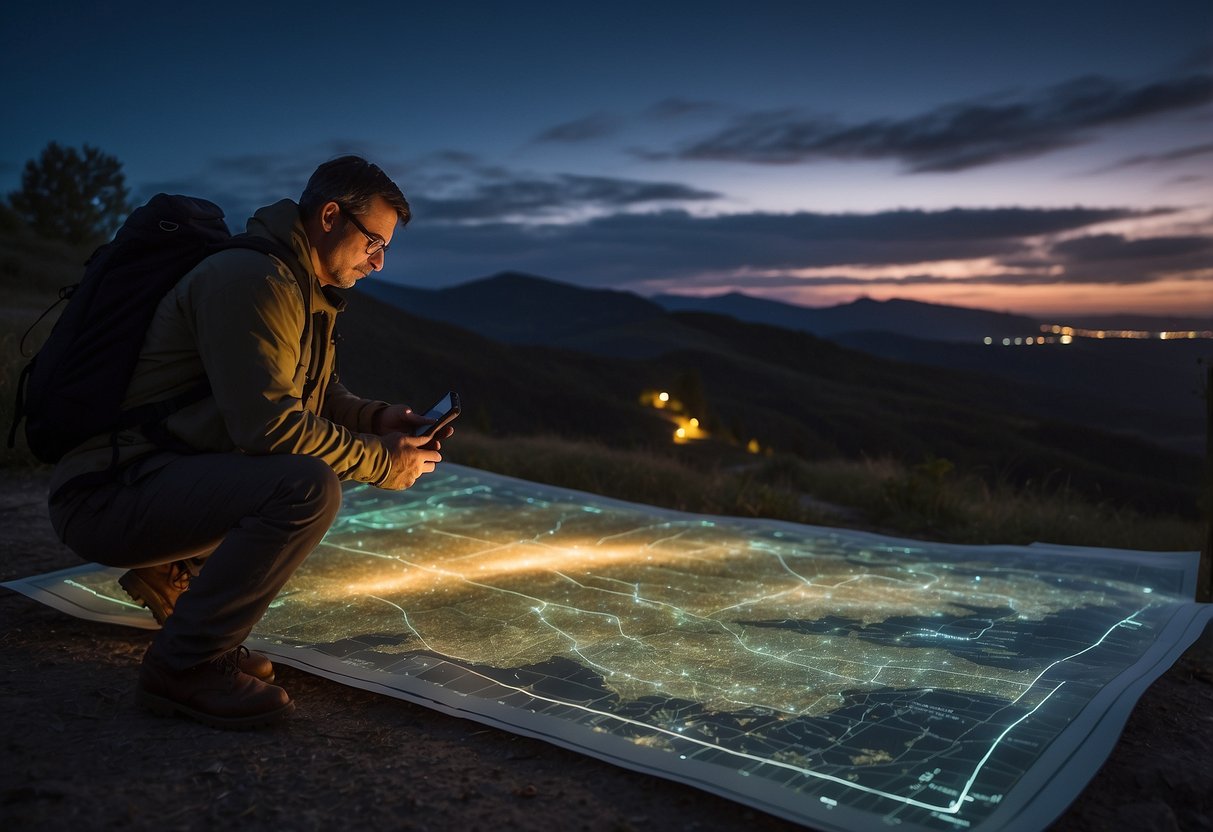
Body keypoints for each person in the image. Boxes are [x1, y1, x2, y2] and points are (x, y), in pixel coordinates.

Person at [46, 156, 450, 729]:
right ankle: (184, 665)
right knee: (306, 486)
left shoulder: (300, 286)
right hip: (107, 493)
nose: (378, 263)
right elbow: (271, 426)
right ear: (330, 216)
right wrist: (383, 463)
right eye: (373, 243)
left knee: (308, 468)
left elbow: (316, 394)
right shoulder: (253, 281)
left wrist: (381, 418)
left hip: (155, 478)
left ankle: (175, 572)